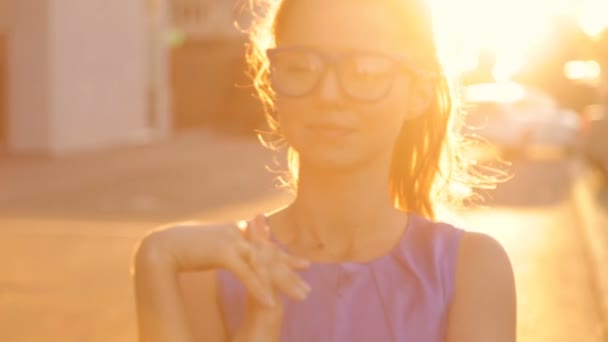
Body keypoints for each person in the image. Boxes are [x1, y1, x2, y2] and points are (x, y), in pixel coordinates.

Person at [132, 0, 517, 341]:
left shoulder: (471, 270)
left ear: (418, 92)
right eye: (300, 67)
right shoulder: (209, 273)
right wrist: (155, 259)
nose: (329, 94)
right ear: (271, 83)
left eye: (365, 70)